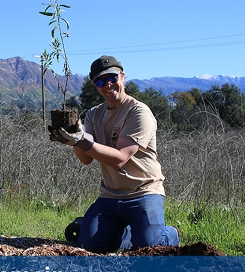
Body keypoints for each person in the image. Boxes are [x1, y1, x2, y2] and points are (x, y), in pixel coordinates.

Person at [49, 55, 179, 253]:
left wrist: (81, 140)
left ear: (123, 77)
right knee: (89, 245)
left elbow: (120, 159)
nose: (108, 85)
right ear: (95, 85)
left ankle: (170, 233)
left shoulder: (138, 112)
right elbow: (86, 159)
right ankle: (126, 231)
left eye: (112, 78)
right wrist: (74, 139)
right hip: (111, 195)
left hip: (144, 192)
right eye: (101, 81)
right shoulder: (93, 114)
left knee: (148, 248)